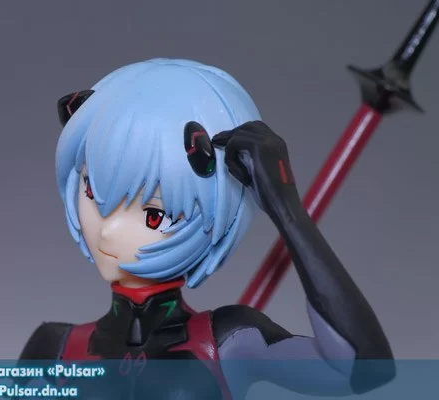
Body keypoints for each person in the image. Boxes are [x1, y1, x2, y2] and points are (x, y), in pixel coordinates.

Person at [19, 58, 395, 399]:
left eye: (154, 215)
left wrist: (285, 208)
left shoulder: (230, 342)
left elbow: (363, 369)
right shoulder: (53, 349)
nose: (108, 230)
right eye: (92, 191)